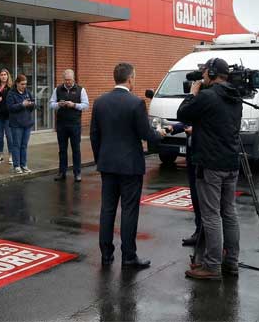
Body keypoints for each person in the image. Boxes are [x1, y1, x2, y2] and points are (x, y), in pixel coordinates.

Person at [90, 62, 166, 269]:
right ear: (130, 78)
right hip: (130, 166)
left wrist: (100, 159)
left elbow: (94, 136)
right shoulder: (136, 103)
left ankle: (106, 254)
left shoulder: (100, 102)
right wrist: (159, 134)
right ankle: (129, 256)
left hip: (107, 164)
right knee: (129, 210)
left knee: (107, 210)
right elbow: (145, 134)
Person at [177, 58, 243, 280]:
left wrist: (193, 93)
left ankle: (212, 265)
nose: (203, 76)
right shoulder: (235, 96)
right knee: (229, 212)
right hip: (231, 162)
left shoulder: (207, 96)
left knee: (211, 215)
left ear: (213, 73)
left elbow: (183, 114)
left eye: (205, 72)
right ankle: (231, 262)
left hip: (211, 164)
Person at [49, 69, 89, 182]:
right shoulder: (57, 89)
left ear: (74, 79)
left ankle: (77, 173)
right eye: (66, 80)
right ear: (63, 79)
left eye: (70, 80)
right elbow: (51, 104)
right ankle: (62, 172)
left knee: (76, 149)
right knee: (62, 149)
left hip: (75, 124)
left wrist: (74, 105)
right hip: (61, 124)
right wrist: (58, 104)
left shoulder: (81, 90)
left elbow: (86, 105)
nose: (68, 82)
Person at [169, 122, 201, 246]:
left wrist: (196, 131)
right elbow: (186, 121)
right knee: (195, 197)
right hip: (192, 159)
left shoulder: (207, 105)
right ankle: (199, 231)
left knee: (205, 199)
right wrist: (173, 128)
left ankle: (211, 236)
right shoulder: (194, 105)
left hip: (204, 159)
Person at [6, 74, 35, 174]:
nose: (24, 86)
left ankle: (24, 165)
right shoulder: (11, 93)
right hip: (16, 124)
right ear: (17, 83)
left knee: (24, 145)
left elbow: (33, 103)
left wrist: (31, 104)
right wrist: (22, 105)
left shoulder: (27, 92)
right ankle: (17, 165)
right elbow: (10, 108)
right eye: (22, 84)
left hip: (27, 123)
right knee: (16, 145)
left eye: (25, 84)